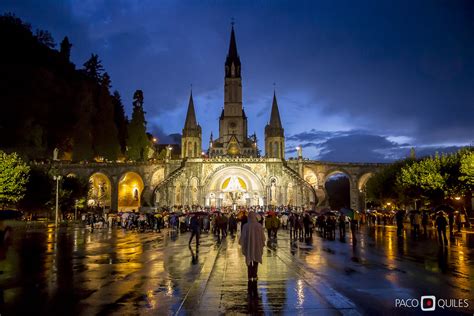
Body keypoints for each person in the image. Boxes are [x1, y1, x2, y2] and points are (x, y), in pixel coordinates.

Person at [239, 211, 266, 298]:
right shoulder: (259, 226)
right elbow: (263, 237)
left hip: (248, 246)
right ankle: (255, 274)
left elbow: (242, 237)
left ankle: (249, 275)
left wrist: (243, 243)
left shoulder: (246, 226)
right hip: (257, 246)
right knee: (256, 260)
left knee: (249, 259)